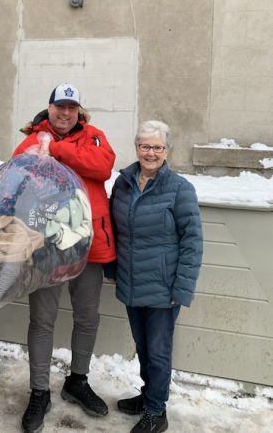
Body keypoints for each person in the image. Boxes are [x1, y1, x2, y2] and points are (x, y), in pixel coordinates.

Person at [13, 83, 116, 433]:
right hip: (48, 245)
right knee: (42, 320)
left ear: (79, 111)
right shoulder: (32, 139)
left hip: (90, 245)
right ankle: (39, 391)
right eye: (60, 107)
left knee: (87, 317)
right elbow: (17, 175)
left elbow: (101, 167)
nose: (65, 113)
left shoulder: (95, 136)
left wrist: (56, 150)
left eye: (72, 108)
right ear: (50, 107)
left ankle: (78, 381)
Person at [109, 120, 203, 433]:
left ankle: (156, 412)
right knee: (144, 347)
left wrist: (183, 287)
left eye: (157, 147)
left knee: (159, 352)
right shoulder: (122, 184)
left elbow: (192, 242)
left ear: (166, 151)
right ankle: (149, 396)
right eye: (145, 146)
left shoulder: (179, 189)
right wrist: (112, 268)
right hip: (132, 281)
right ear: (136, 148)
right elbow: (113, 231)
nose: (151, 152)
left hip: (164, 288)